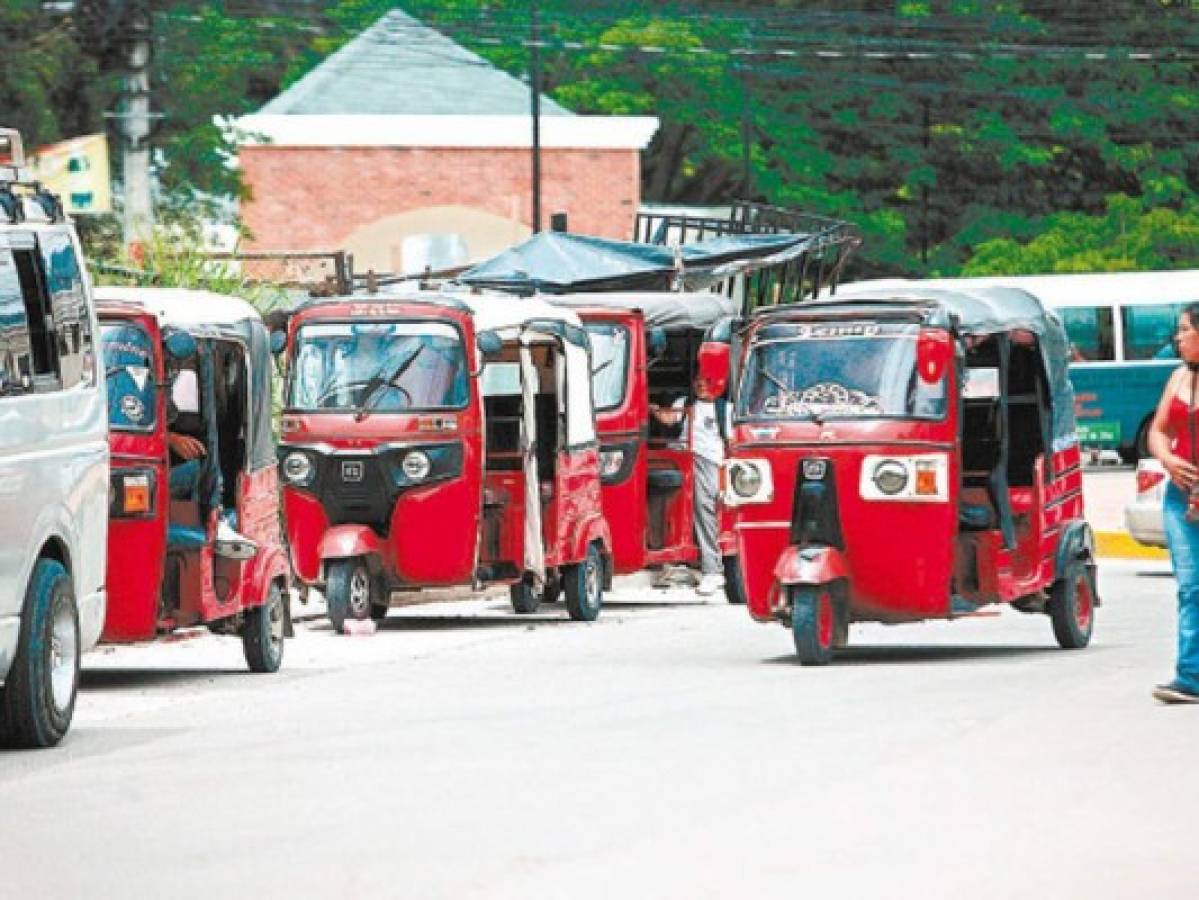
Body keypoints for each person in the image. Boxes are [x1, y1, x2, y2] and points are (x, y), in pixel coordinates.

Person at [1148, 302, 1199, 704]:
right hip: (1179, 496)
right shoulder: (1178, 377)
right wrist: (1166, 458)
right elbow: (1159, 430)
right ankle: (1190, 675)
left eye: (1184, 330)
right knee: (1190, 586)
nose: (1177, 338)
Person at [650, 373, 727, 597]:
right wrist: (651, 408)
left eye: (708, 380)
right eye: (699, 381)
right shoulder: (684, 404)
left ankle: (712, 570)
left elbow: (733, 441)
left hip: (709, 462)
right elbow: (669, 418)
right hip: (680, 460)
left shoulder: (725, 410)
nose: (702, 385)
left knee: (705, 512)